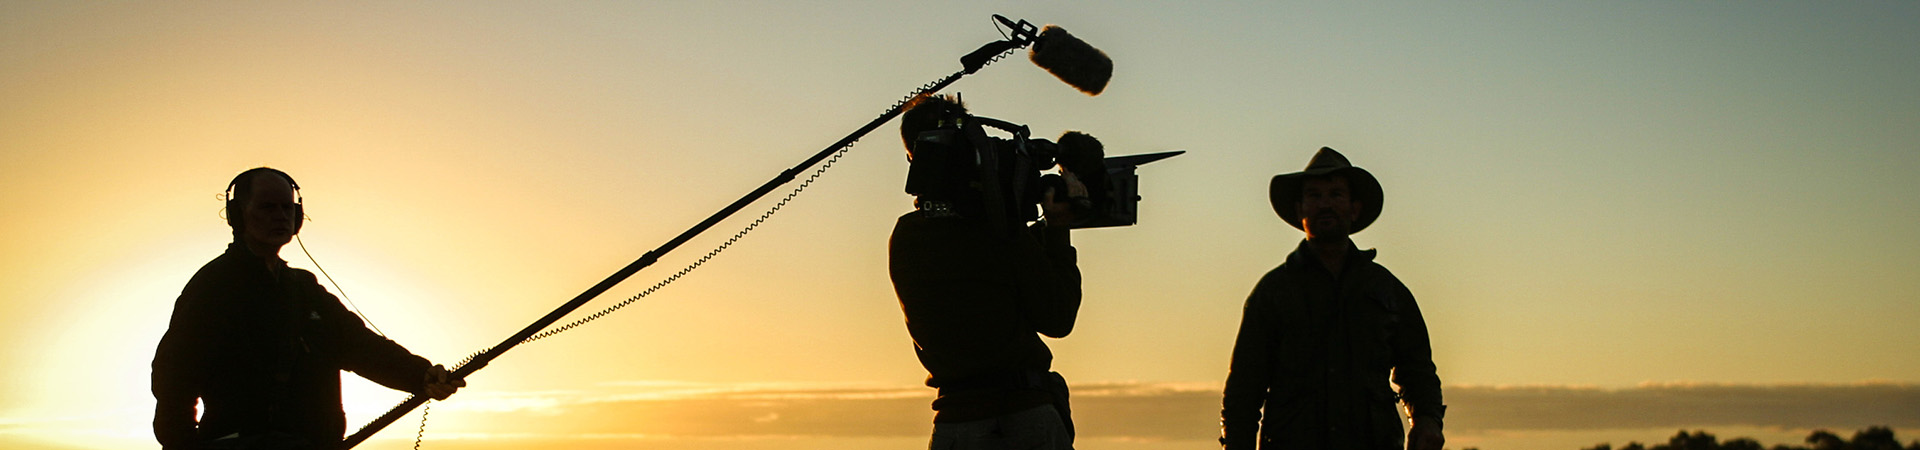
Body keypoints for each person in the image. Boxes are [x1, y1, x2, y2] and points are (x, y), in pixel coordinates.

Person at [151, 167, 465, 450]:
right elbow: (174, 374)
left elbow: (360, 346)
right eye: (267, 207)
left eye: (287, 208)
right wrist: (181, 444)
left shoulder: (304, 288)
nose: (280, 216)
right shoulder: (213, 286)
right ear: (238, 214)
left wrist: (422, 375)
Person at [889, 95, 1088, 450]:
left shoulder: (906, 237)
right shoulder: (998, 230)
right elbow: (1057, 317)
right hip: (1027, 415)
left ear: (913, 159)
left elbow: (970, 269)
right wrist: (1056, 228)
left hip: (955, 424)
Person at [1220, 147, 1445, 450]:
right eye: (1314, 195)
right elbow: (1244, 391)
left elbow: (1417, 369)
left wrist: (1427, 420)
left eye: (1336, 194)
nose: (1325, 204)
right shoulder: (1273, 292)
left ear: (1354, 209)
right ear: (1300, 209)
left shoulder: (1387, 290)